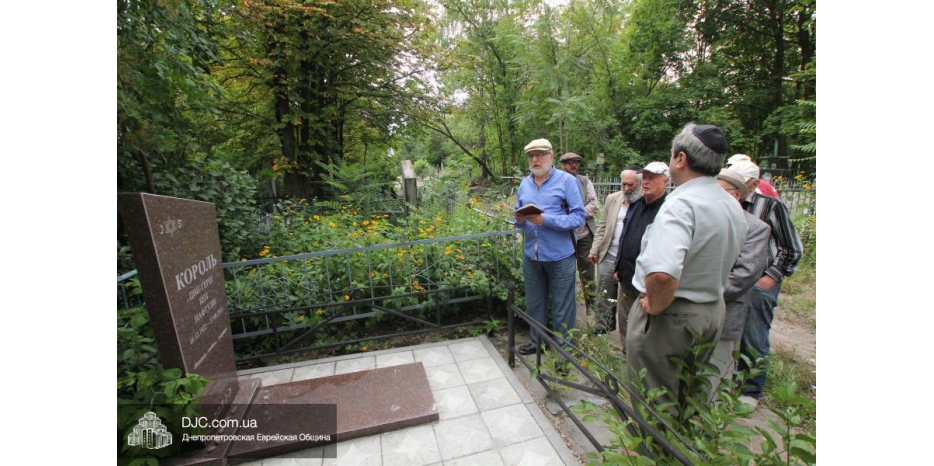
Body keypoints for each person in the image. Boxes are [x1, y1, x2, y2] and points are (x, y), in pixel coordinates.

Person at [626, 123, 746, 408]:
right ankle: (686, 449)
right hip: (712, 310)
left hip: (672, 317)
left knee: (654, 402)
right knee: (691, 396)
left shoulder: (682, 204)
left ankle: (654, 452)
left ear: (680, 159)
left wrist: (654, 306)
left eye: (671, 154)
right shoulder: (730, 204)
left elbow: (662, 274)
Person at [728, 160, 804, 408]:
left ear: (752, 184)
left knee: (754, 334)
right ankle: (727, 380)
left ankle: (750, 391)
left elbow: (792, 248)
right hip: (731, 280)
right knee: (726, 332)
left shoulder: (770, 206)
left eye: (739, 185)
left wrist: (771, 275)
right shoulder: (725, 207)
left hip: (758, 284)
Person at [515, 139, 586, 356]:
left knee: (562, 307)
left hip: (560, 257)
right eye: (531, 156)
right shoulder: (524, 184)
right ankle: (538, 343)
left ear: (551, 157)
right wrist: (518, 218)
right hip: (532, 255)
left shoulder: (566, 181)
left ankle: (565, 353)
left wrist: (545, 220)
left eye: (540, 155)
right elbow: (519, 214)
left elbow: (578, 218)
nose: (535, 160)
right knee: (534, 303)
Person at [707, 168, 770, 400]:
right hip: (689, 314)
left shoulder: (756, 228)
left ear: (735, 195)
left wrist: (698, 293)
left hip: (725, 312)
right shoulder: (703, 220)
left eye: (718, 192)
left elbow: (744, 274)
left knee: (715, 376)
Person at [612, 162, 669, 352]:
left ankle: (643, 359)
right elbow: (624, 236)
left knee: (647, 323)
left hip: (650, 281)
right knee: (625, 317)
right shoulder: (636, 205)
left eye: (652, 178)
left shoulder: (668, 210)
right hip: (628, 274)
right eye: (644, 177)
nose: (646, 182)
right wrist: (618, 267)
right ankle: (626, 353)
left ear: (665, 181)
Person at [587, 166, 641, 335]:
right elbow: (602, 226)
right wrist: (594, 249)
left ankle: (629, 332)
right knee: (603, 293)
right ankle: (602, 327)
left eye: (631, 185)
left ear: (639, 183)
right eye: (624, 184)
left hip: (630, 260)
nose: (626, 188)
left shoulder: (644, 203)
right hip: (609, 254)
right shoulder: (613, 199)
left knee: (628, 297)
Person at [558, 152, 600, 315]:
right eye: (569, 163)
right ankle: (568, 305)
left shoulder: (584, 181)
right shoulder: (557, 181)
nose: (573, 165)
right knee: (565, 270)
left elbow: (594, 205)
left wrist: (576, 215)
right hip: (563, 235)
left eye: (576, 163)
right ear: (563, 164)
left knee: (588, 269)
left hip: (583, 234)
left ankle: (592, 303)